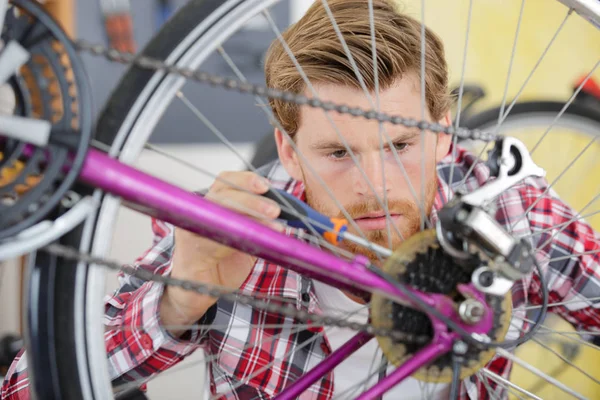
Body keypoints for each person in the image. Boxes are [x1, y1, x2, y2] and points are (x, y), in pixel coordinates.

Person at [3, 0, 600, 399]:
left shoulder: (505, 208)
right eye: (339, 154)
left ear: (444, 131)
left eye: (400, 143)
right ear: (289, 155)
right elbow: (23, 387)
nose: (377, 185)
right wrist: (179, 299)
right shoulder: (235, 228)